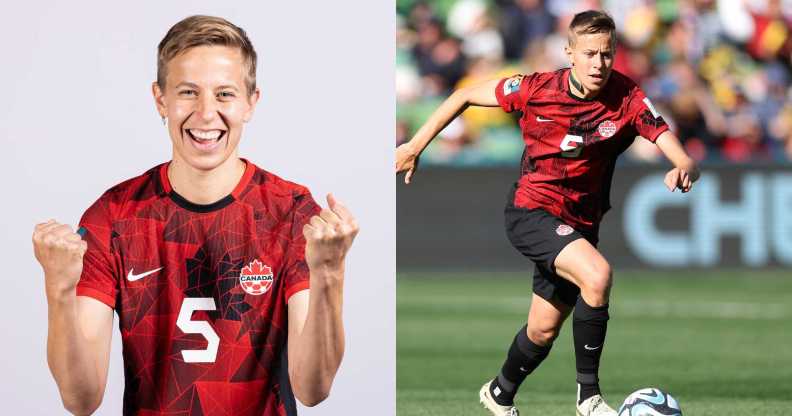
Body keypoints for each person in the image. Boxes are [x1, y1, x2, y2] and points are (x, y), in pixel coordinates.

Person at [32, 15, 358, 416]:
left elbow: (313, 388)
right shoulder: (113, 216)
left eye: (225, 94)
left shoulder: (290, 211)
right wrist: (59, 291)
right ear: (160, 100)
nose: (206, 114)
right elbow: (81, 400)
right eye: (188, 92)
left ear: (250, 104)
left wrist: (331, 274)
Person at [396, 10, 698, 416]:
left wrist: (682, 167)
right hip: (530, 209)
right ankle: (588, 398)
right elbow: (463, 95)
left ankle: (500, 393)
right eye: (589, 53)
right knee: (598, 275)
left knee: (542, 329)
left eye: (606, 54)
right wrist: (415, 146)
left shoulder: (627, 98)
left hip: (579, 224)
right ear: (569, 53)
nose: (599, 63)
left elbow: (678, 150)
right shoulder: (536, 88)